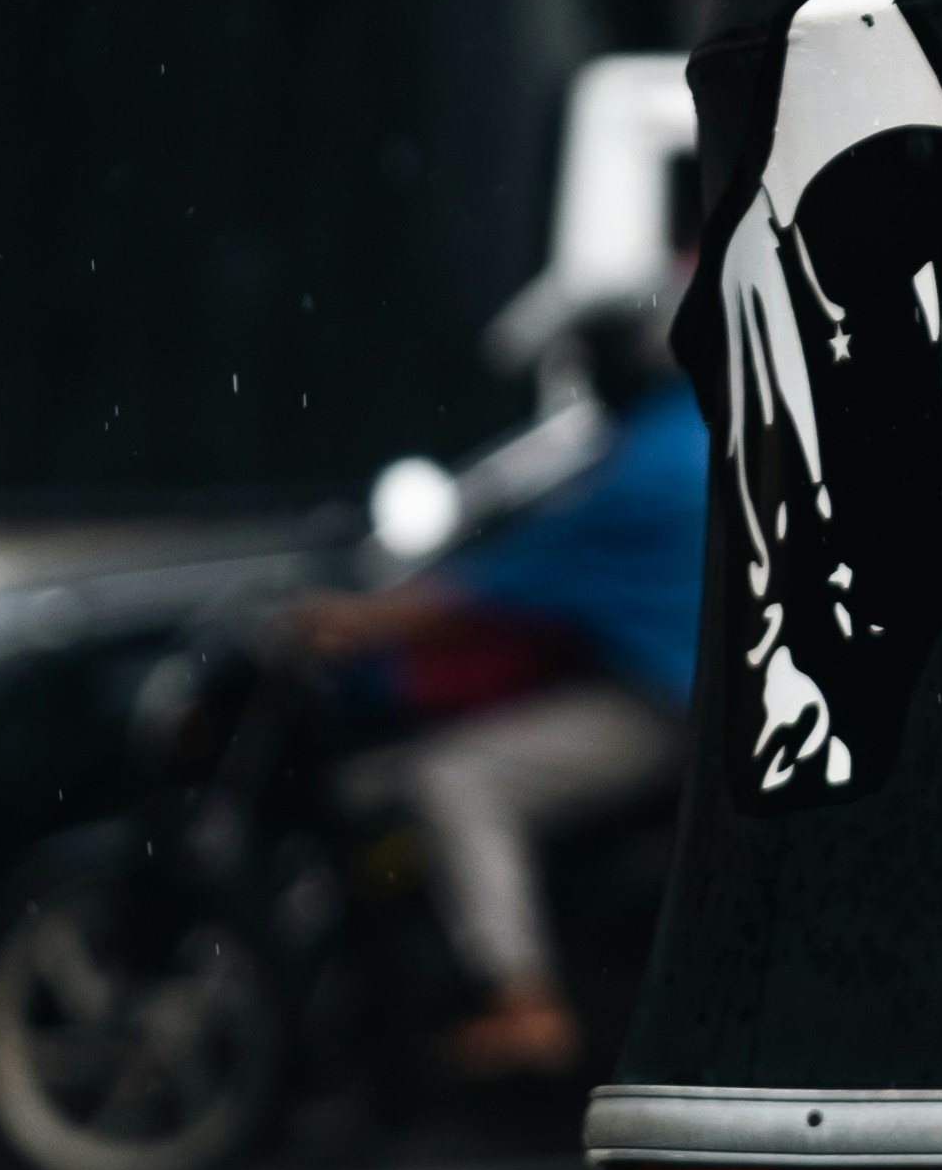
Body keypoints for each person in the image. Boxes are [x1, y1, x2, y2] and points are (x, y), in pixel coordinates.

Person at [295, 305, 707, 1081]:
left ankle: (522, 998)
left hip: (663, 709)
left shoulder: (648, 463)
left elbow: (495, 588)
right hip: (688, 699)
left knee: (455, 776)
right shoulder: (697, 438)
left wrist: (352, 621)